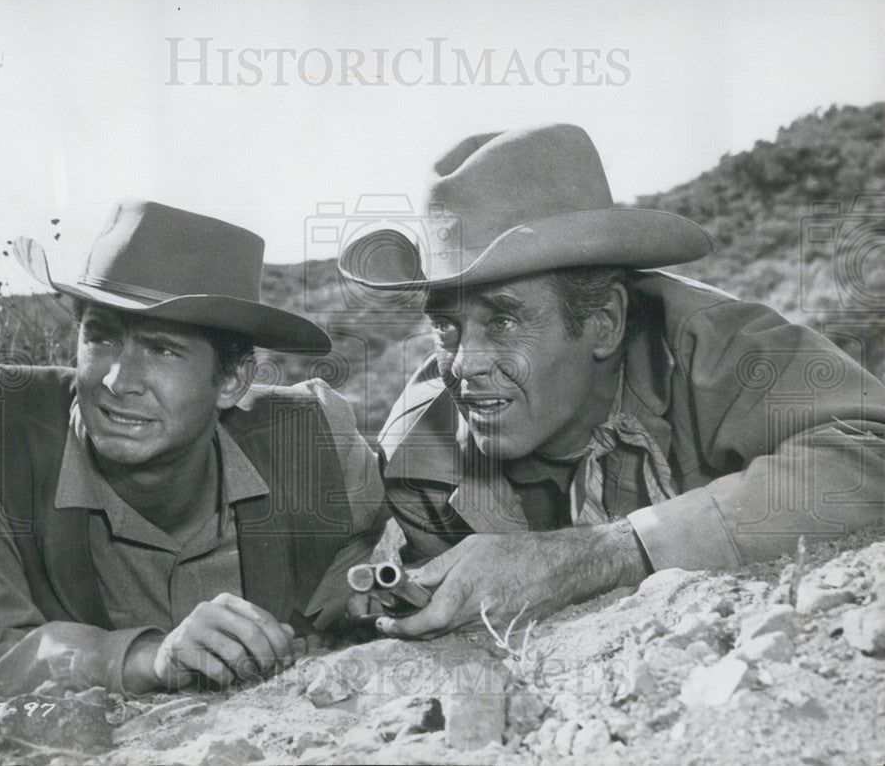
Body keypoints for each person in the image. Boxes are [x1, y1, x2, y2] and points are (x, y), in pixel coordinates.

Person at [338, 124, 885, 639]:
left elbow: (870, 456)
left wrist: (606, 553)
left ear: (604, 321)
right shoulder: (418, 457)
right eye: (446, 327)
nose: (462, 365)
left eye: (502, 322)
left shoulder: (718, 350)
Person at [0, 199, 386, 695]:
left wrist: (351, 601)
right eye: (100, 338)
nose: (118, 381)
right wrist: (144, 657)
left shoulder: (313, 434)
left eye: (162, 349)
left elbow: (394, 549)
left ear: (232, 380)